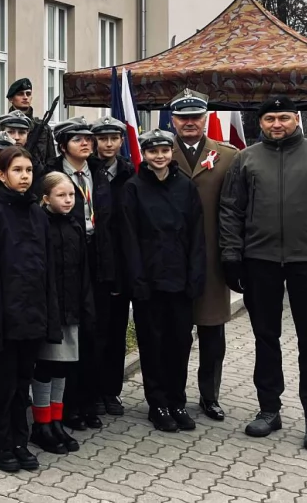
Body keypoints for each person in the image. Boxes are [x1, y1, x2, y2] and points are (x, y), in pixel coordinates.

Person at [219, 96, 307, 452]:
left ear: (296, 119)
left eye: (283, 117)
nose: (276, 124)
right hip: (260, 262)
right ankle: (268, 409)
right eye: (269, 118)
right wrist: (232, 257)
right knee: (266, 340)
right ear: (260, 122)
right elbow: (231, 210)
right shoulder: (247, 158)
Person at [0, 146, 59, 473]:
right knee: (1, 387)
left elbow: (45, 269)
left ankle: (20, 442)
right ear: (1, 174)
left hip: (31, 317)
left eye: (29, 171)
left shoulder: (37, 212)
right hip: (3, 320)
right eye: (17, 170)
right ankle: (1, 444)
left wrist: (49, 317)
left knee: (23, 386)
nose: (24, 176)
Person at [121, 129, 206, 433]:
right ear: (144, 154)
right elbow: (129, 237)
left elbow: (197, 233)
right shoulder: (133, 188)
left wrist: (196, 275)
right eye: (152, 151)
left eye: (164, 151)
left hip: (180, 280)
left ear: (171, 153)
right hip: (149, 281)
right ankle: (157, 403)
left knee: (180, 342)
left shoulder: (185, 186)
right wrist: (137, 279)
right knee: (152, 344)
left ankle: (177, 400)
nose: (159, 156)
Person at [167, 89, 238, 421]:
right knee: (176, 334)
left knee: (212, 334)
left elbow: (238, 208)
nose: (190, 123)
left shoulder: (227, 157)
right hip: (173, 261)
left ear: (206, 118)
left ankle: (209, 396)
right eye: (183, 118)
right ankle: (175, 395)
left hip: (212, 258)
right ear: (173, 121)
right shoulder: (160, 153)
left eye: (196, 117)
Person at [51, 116, 115, 430]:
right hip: (67, 260)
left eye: (88, 138)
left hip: (96, 256)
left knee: (94, 333)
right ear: (63, 145)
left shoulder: (99, 175)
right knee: (69, 334)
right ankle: (68, 406)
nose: (86, 143)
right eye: (77, 139)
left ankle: (89, 401)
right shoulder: (51, 175)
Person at [30, 172, 93, 455]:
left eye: (71, 195)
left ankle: (56, 421)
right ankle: (40, 424)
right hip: (48, 310)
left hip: (70, 309)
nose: (67, 200)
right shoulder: (40, 225)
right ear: (46, 199)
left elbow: (82, 271)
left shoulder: (75, 226)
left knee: (63, 366)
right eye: (61, 195)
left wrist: (84, 305)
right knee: (45, 366)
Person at [90, 116, 137, 417]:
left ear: (122, 141)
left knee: (117, 331)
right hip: (93, 264)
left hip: (120, 264)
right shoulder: (88, 171)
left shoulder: (130, 174)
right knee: (95, 332)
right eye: (103, 138)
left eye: (114, 138)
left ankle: (111, 390)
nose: (108, 143)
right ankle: (93, 391)